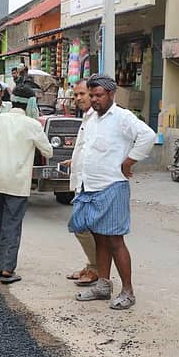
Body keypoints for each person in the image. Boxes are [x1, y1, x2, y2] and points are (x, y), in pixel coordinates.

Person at [67, 74, 155, 310]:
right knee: (100, 238)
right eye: (92, 95)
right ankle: (103, 285)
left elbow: (148, 136)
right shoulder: (92, 118)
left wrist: (129, 162)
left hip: (112, 186)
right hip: (90, 186)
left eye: (99, 96)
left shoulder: (123, 117)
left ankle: (128, 291)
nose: (95, 100)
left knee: (115, 241)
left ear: (111, 94)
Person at [0, 85, 53, 284]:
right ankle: (7, 269)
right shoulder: (33, 125)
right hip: (16, 184)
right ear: (31, 104)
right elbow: (48, 152)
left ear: (11, 100)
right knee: (12, 225)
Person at [63, 79, 98, 287]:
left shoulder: (100, 118)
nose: (78, 98)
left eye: (82, 94)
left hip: (92, 183)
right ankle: (92, 265)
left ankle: (97, 268)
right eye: (75, 95)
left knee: (81, 226)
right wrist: (73, 161)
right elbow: (86, 149)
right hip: (81, 181)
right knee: (84, 227)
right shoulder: (87, 117)